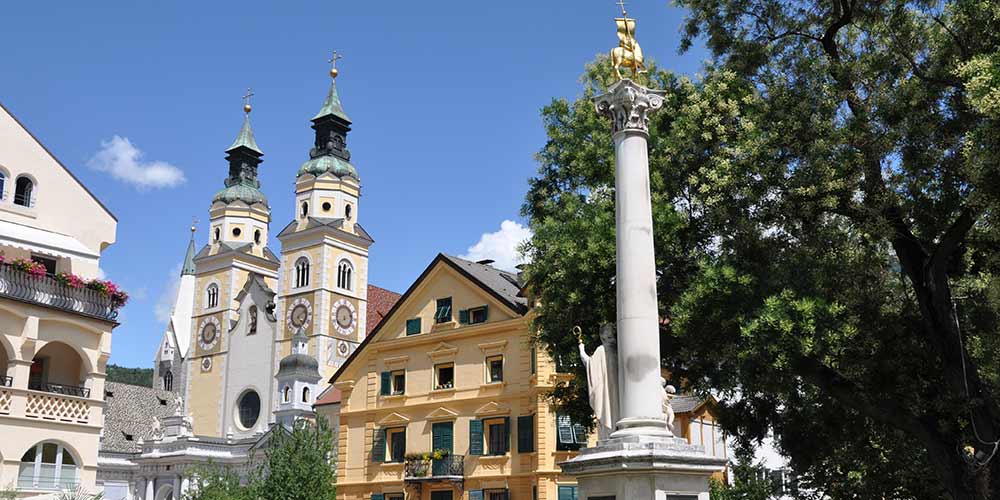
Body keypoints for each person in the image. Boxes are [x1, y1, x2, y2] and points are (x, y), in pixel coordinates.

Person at [577, 324, 620, 441]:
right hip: (619, 395)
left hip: (609, 395)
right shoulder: (620, 351)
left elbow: (589, 364)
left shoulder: (602, 350)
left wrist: (581, 350)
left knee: (608, 412)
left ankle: (609, 432)